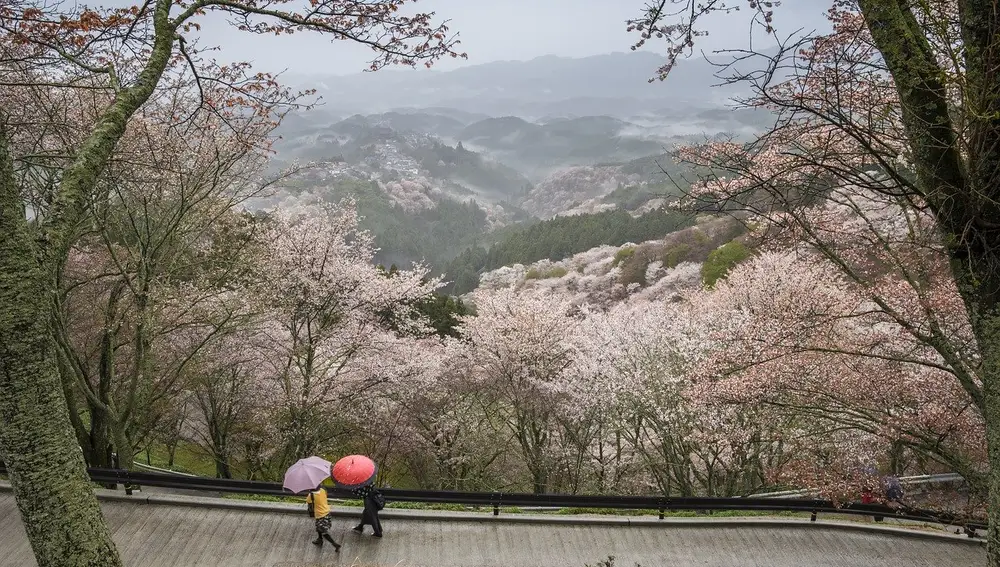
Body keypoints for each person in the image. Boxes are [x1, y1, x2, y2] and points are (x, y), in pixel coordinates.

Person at [306, 484, 341, 551]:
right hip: (327, 512)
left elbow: (308, 502)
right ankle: (320, 539)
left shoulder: (311, 495)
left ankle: (335, 544)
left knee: (323, 531)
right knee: (319, 527)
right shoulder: (323, 490)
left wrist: (310, 494)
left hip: (320, 515)